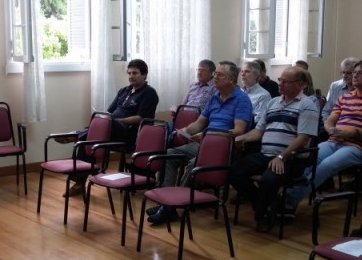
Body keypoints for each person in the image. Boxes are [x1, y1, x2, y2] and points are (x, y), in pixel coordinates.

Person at [147, 61, 252, 224]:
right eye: (215, 73)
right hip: (204, 143)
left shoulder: (242, 99)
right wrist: (185, 130)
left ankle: (170, 206)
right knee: (167, 155)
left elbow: (239, 130)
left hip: (224, 148)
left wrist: (208, 135)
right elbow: (200, 122)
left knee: (193, 164)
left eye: (219, 74)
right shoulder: (215, 96)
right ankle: (167, 203)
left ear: (232, 79)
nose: (215, 77)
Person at [284, 60, 362, 216]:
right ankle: (289, 198)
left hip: (358, 147)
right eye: (354, 72)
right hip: (335, 140)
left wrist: (354, 133)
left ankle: (288, 201)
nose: (354, 75)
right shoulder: (345, 97)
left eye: (360, 73)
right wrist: (331, 130)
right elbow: (329, 120)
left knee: (326, 165)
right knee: (308, 160)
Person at [229, 67, 319, 232]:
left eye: (285, 81)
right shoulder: (273, 102)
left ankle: (262, 216)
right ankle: (269, 204)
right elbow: (259, 131)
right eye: (280, 80)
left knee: (268, 181)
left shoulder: (307, 105)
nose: (281, 84)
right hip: (266, 155)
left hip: (292, 158)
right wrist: (241, 138)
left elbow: (303, 138)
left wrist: (281, 157)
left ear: (300, 84)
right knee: (233, 172)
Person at [65, 58, 159, 197]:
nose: (131, 76)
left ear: (144, 75)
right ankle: (79, 182)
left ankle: (76, 134)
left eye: (135, 73)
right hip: (111, 129)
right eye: (129, 73)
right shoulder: (124, 91)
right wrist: (105, 121)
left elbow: (142, 119)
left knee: (96, 129)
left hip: (130, 134)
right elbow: (109, 112)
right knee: (85, 140)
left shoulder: (149, 93)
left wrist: (116, 121)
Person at [321, 57, 359, 123]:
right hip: (332, 125)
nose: (344, 76)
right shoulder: (335, 86)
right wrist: (329, 125)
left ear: (356, 73)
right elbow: (326, 111)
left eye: (348, 73)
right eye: (343, 72)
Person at [240, 61, 271, 126]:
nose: (243, 74)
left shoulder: (263, 95)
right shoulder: (239, 92)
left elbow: (260, 121)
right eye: (242, 71)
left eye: (247, 71)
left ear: (256, 76)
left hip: (250, 128)